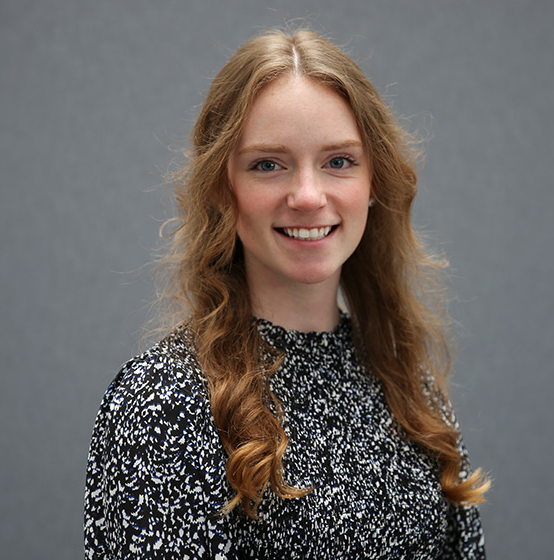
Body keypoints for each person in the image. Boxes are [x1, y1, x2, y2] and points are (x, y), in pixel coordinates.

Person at [84, 28, 489, 559]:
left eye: (339, 161)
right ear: (221, 189)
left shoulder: (406, 387)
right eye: (268, 165)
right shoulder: (162, 401)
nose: (307, 196)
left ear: (375, 184)